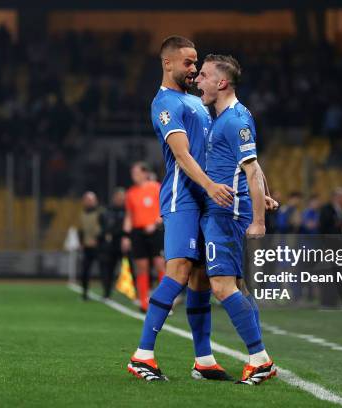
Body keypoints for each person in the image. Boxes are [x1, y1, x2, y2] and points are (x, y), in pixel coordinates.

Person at [128, 36, 235, 382]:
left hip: (205, 200)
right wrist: (208, 186)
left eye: (196, 63)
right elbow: (182, 155)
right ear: (168, 63)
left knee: (201, 280)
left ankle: (203, 359)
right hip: (182, 198)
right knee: (177, 272)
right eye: (188, 63)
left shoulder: (196, 103)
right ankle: (143, 355)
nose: (194, 69)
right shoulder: (165, 104)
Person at [195, 54, 276, 385]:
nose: (198, 80)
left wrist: (259, 220)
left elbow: (252, 169)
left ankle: (259, 359)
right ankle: (258, 359)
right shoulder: (226, 117)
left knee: (222, 287)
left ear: (221, 82)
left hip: (228, 214)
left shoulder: (234, 120)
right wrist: (264, 193)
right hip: (223, 210)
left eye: (203, 75)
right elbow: (251, 166)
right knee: (235, 287)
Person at [122, 162, 165, 312]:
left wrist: (155, 223)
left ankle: (164, 302)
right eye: (132, 173)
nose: (134, 175)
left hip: (156, 231)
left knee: (160, 264)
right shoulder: (130, 193)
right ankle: (144, 302)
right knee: (141, 267)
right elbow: (129, 216)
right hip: (138, 233)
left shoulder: (156, 187)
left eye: (137, 172)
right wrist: (126, 236)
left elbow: (164, 209)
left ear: (145, 173)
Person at [99, 187, 127, 299]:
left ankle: (134, 293)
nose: (120, 199)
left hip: (124, 242)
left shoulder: (127, 210)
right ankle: (106, 292)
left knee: (128, 268)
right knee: (108, 269)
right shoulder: (107, 211)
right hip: (110, 245)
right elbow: (102, 225)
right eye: (118, 197)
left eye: (122, 197)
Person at [78, 191, 104, 300]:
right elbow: (80, 230)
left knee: (104, 270)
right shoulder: (82, 214)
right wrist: (81, 243)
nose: (89, 202)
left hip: (99, 246)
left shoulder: (100, 213)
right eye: (87, 200)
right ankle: (84, 293)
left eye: (91, 200)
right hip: (87, 247)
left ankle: (106, 293)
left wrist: (99, 241)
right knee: (84, 271)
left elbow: (104, 229)